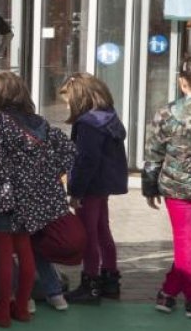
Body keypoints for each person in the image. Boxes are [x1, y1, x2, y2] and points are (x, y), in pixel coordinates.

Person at [0, 71, 75, 326]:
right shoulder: (38, 121)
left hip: (3, 194)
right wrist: (43, 174)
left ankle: (2, 309)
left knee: (3, 253)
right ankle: (21, 307)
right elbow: (67, 151)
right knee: (25, 249)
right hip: (31, 197)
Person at [143, 55, 191, 320]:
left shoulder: (167, 113)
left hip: (176, 188)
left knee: (187, 243)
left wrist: (150, 186)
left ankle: (178, 294)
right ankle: (185, 298)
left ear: (182, 83)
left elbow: (153, 152)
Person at [61, 73, 127, 305]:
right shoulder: (109, 117)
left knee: (89, 235)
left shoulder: (88, 123)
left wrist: (75, 191)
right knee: (102, 231)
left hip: (89, 186)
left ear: (80, 97)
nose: (67, 104)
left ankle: (91, 284)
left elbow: (86, 159)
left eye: (68, 99)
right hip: (104, 184)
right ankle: (110, 280)